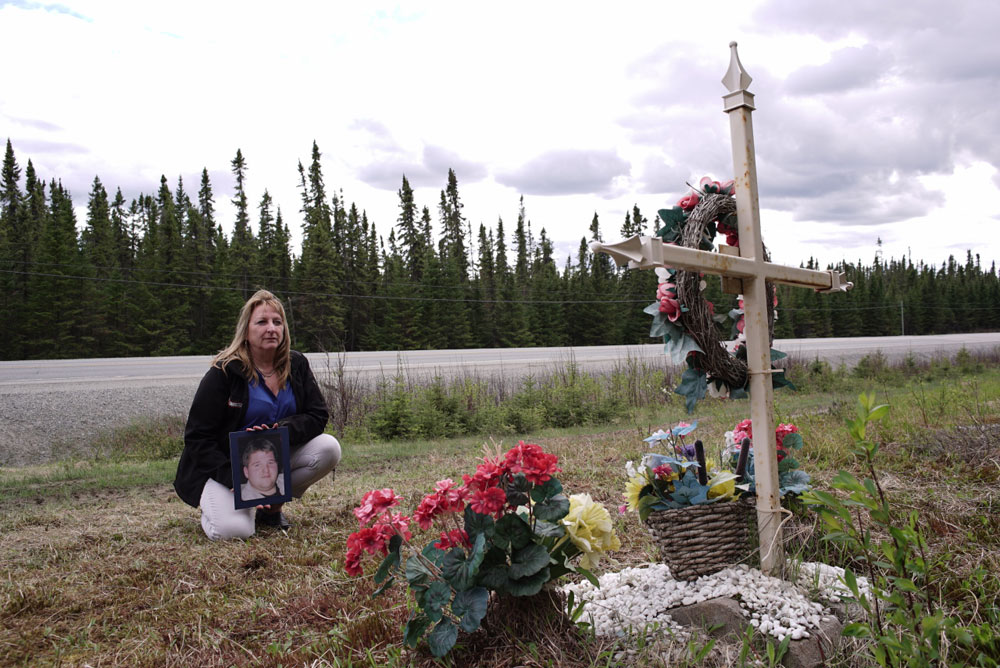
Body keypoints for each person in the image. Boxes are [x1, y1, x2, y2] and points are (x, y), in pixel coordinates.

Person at [174, 289, 341, 540]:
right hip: (225, 468)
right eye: (262, 322)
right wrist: (236, 480)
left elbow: (317, 415)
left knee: (329, 448)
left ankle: (272, 507)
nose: (271, 328)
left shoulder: (296, 364)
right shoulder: (224, 373)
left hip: (272, 461)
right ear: (246, 330)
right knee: (233, 532)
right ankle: (224, 508)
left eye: (277, 321)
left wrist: (280, 430)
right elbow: (197, 438)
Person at [239, 436, 284, 501]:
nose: (266, 470)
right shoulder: (243, 498)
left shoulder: (287, 482)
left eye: (270, 463)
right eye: (257, 465)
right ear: (246, 472)